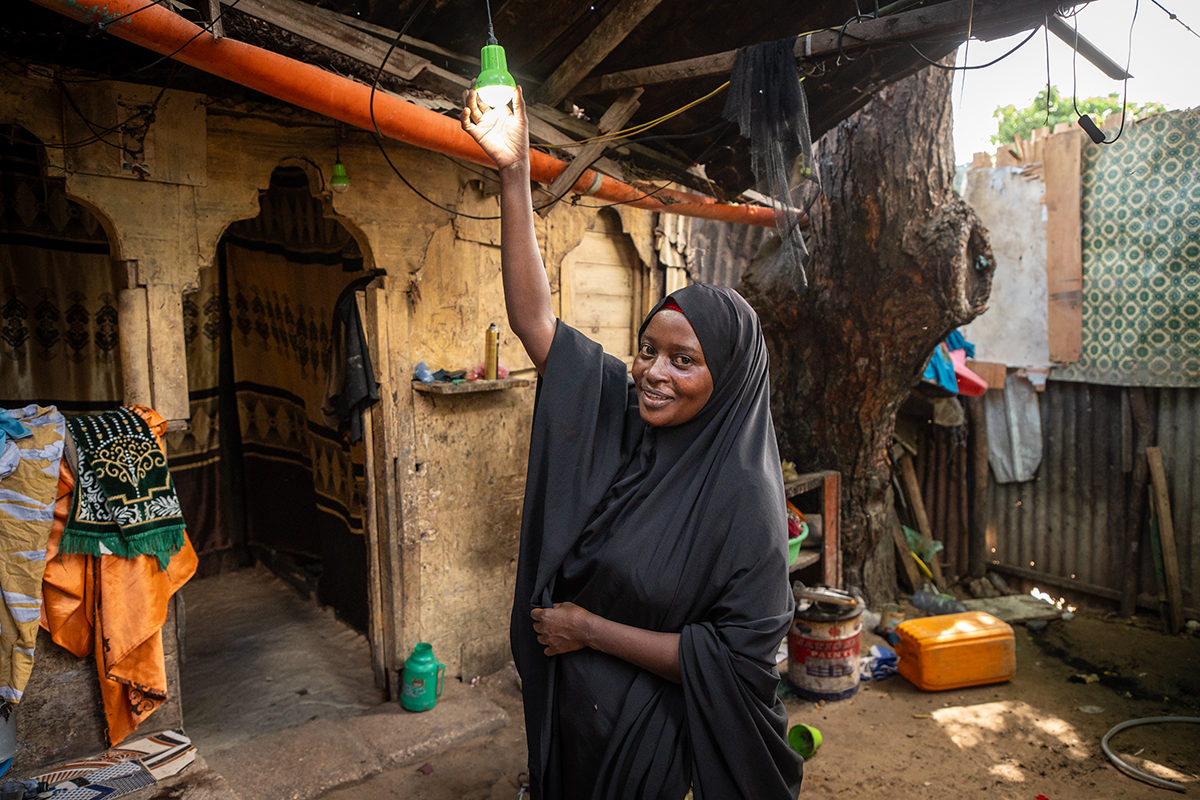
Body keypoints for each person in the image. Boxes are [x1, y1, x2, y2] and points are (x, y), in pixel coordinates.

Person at [462, 86, 803, 800]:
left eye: (685, 361)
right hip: (573, 721)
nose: (652, 373)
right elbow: (536, 323)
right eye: (649, 350)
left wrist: (588, 628)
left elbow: (736, 663)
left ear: (729, 378)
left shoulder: (743, 503)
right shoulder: (628, 418)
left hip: (652, 746)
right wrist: (513, 172)